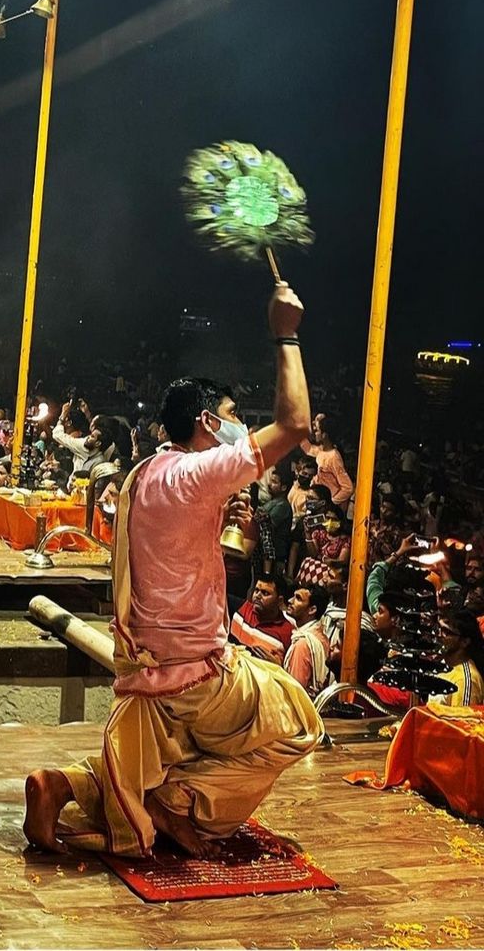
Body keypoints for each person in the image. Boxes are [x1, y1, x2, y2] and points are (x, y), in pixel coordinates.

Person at [23, 282, 321, 859]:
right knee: (296, 717)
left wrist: (232, 531)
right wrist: (286, 332)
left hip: (147, 656)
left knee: (173, 745)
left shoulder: (146, 473)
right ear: (209, 422)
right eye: (233, 417)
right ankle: (180, 805)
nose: (239, 427)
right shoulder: (196, 474)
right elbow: (294, 425)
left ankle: (61, 785)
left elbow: (187, 556)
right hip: (192, 670)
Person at [229, 572, 295, 663]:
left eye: (265, 593)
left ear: (279, 601)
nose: (258, 595)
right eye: (256, 590)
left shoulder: (288, 632)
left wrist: (278, 666)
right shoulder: (243, 607)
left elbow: (288, 671)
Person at [284, 584, 332, 697]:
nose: (290, 601)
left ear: (312, 609)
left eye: (298, 598)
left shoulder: (303, 644)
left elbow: (294, 692)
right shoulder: (321, 636)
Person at [432, 607, 484, 707]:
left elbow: (459, 721)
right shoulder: (442, 665)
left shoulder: (465, 680)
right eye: (439, 628)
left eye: (446, 632)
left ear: (465, 642)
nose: (439, 635)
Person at [301, 413, 353, 509]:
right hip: (318, 500)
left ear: (324, 435)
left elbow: (348, 488)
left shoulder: (333, 457)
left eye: (317, 431)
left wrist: (332, 501)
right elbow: (308, 449)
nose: (315, 433)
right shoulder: (321, 451)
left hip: (327, 505)